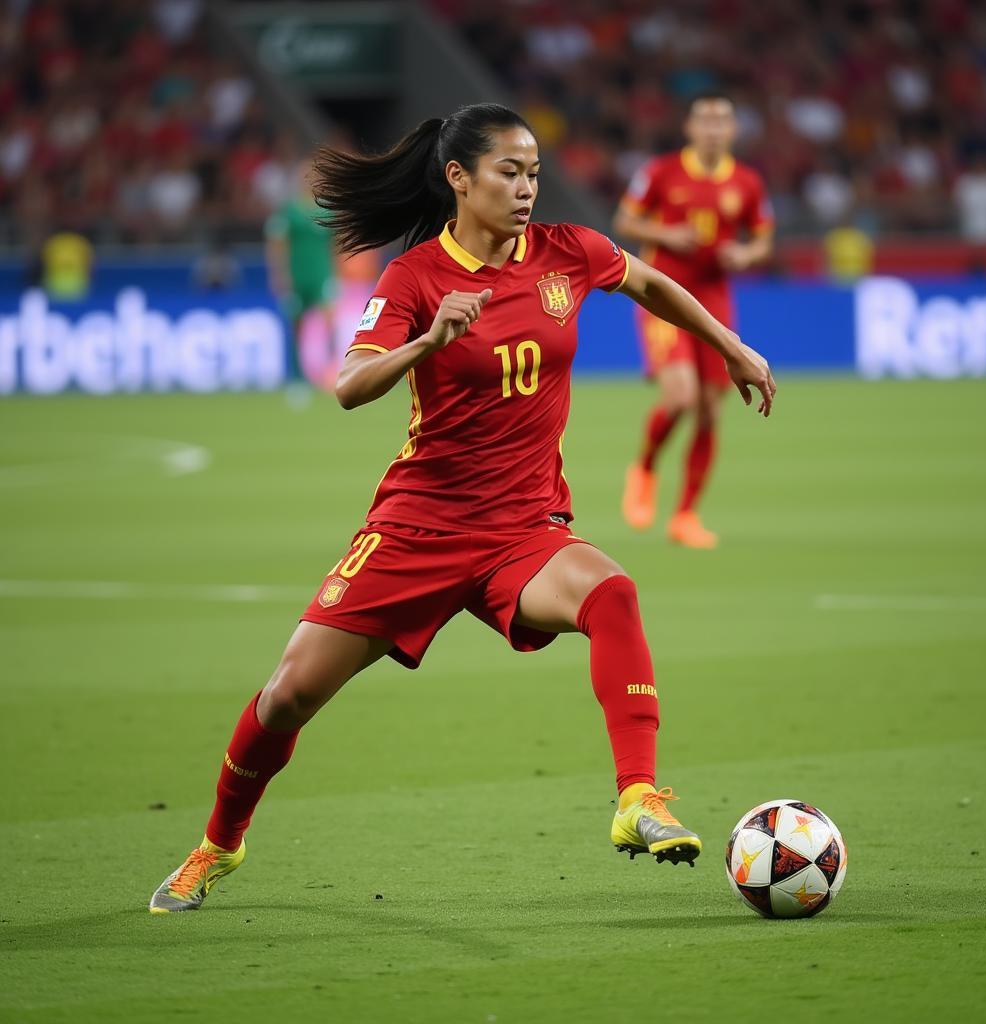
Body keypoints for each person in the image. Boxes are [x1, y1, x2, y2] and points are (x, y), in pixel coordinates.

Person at [149, 103, 775, 913]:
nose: (526, 190)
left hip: (523, 531)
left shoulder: (567, 253)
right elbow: (349, 386)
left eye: (534, 174)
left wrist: (734, 346)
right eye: (509, 173)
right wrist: (428, 343)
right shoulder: (415, 278)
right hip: (416, 530)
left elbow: (651, 281)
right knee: (286, 697)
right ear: (459, 178)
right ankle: (216, 846)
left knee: (613, 592)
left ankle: (638, 798)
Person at [615, 92, 774, 548]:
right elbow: (624, 220)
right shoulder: (661, 172)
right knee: (681, 397)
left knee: (709, 409)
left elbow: (763, 240)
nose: (712, 128)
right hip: (664, 295)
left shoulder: (746, 182)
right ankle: (644, 467)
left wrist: (745, 253)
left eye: (721, 120)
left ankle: (685, 515)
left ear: (733, 130)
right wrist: (665, 233)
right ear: (689, 128)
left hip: (714, 296)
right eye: (704, 119)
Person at [264, 156, 337, 387]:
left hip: (322, 276)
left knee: (329, 322)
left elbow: (336, 246)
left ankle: (329, 371)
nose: (310, 181)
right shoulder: (289, 212)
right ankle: (297, 377)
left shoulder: (326, 211)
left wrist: (338, 275)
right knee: (297, 325)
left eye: (313, 177)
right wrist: (279, 274)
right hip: (297, 277)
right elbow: (276, 243)